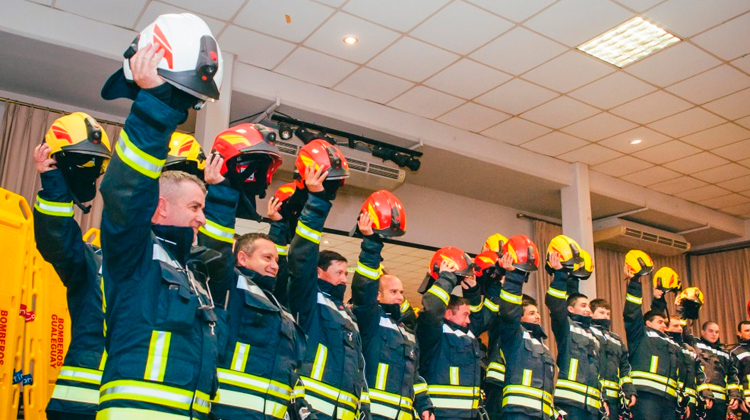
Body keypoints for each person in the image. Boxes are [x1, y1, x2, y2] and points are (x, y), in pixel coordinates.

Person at [97, 15, 223, 418]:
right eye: (194, 208)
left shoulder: (189, 272)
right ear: (160, 206)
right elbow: (125, 191)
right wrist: (152, 106)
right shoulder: (133, 252)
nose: (202, 219)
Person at [195, 151, 307, 420]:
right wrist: (221, 194)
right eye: (266, 258)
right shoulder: (229, 285)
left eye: (276, 260)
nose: (274, 265)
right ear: (242, 258)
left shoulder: (278, 304)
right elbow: (215, 249)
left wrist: (278, 228)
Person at [33, 112, 111, 420]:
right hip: (80, 407)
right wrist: (54, 183)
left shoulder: (165, 271)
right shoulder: (93, 262)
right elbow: (59, 243)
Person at [287, 147, 370, 420]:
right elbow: (301, 259)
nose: (344, 279)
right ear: (320, 273)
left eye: (347, 274)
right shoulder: (309, 298)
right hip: (311, 410)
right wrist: (316, 203)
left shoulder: (348, 315)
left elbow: (359, 368)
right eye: (339, 273)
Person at [350, 201, 433, 420]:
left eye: (402, 292)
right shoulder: (370, 319)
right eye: (394, 291)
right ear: (378, 295)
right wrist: (371, 243)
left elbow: (414, 374)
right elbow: (364, 288)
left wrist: (424, 405)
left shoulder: (406, 330)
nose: (400, 297)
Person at [416, 247, 483, 420]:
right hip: (439, 414)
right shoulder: (434, 333)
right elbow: (432, 310)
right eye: (465, 315)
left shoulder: (467, 336)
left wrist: (472, 291)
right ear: (448, 314)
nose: (469, 321)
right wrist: (446, 278)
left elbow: (482, 319)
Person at [490, 252, 558, 420]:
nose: (538, 316)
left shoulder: (543, 345)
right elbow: (509, 312)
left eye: (538, 312)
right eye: (532, 313)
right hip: (518, 413)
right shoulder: (515, 336)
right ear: (520, 317)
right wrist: (513, 277)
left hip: (542, 414)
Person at [545, 242, 602, 420]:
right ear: (570, 309)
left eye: (589, 306)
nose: (588, 309)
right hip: (570, 402)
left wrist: (574, 273)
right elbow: (556, 305)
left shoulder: (593, 334)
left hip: (593, 406)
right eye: (583, 306)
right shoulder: (566, 326)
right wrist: (561, 274)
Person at [623, 251, 681, 420]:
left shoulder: (669, 341)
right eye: (660, 322)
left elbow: (657, 314)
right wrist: (634, 282)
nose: (665, 325)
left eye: (665, 322)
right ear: (647, 324)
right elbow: (632, 313)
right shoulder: (640, 334)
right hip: (645, 396)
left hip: (668, 399)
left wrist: (659, 299)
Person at [589, 298, 637, 420]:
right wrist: (600, 397)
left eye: (608, 314)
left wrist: (629, 390)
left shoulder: (616, 339)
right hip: (594, 397)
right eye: (601, 312)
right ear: (590, 313)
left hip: (615, 401)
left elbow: (625, 367)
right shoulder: (587, 333)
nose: (605, 316)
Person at [694, 321, 742, 420]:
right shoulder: (696, 346)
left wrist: (734, 396)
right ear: (702, 332)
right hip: (703, 400)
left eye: (717, 332)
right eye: (711, 331)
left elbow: (732, 376)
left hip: (721, 402)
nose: (714, 334)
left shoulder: (725, 353)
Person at [730, 321, 750, 414]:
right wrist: (741, 398)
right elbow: (734, 377)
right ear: (739, 333)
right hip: (747, 400)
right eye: (747, 330)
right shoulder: (735, 352)